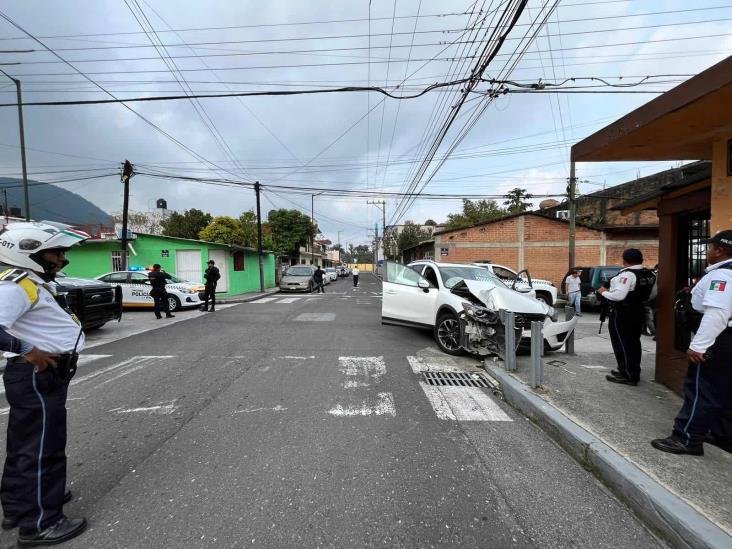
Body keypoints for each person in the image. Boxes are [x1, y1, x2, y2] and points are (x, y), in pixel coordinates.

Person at [0, 221, 89, 545]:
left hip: (42, 376)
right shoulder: (13, 286)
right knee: (43, 448)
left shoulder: (29, 281)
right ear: (28, 253)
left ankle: (18, 505)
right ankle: (40, 522)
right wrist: (29, 350)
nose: (62, 260)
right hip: (37, 375)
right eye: (55, 253)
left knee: (26, 444)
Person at [652, 231, 732, 456]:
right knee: (725, 390)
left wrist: (699, 345)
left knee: (701, 389)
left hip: (720, 338)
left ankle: (686, 438)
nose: (708, 251)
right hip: (726, 338)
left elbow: (717, 313)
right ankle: (722, 434)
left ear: (720, 250)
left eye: (711, 247)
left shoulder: (723, 276)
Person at [599, 248, 657, 386]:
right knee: (633, 343)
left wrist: (603, 292)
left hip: (623, 313)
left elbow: (618, 296)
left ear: (624, 260)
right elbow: (653, 293)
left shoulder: (628, 274)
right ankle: (627, 370)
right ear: (641, 260)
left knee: (623, 344)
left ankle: (629, 374)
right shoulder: (649, 274)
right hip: (638, 311)